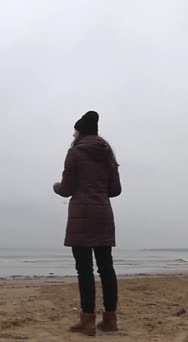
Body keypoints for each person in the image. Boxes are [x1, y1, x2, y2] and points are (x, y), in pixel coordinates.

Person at [53, 111, 122, 336]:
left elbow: (66, 189)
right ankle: (110, 320)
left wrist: (56, 186)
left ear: (80, 131)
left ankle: (88, 321)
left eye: (75, 130)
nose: (73, 134)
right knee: (106, 268)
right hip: (103, 215)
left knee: (84, 270)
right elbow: (115, 190)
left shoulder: (74, 153)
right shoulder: (107, 154)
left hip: (81, 216)